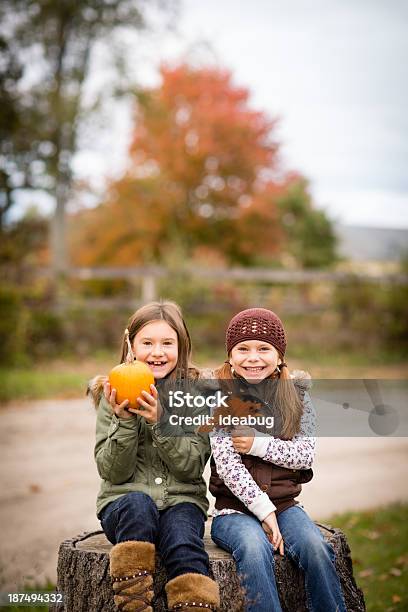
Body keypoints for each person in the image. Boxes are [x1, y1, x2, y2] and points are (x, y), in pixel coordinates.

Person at [209, 307, 346, 612]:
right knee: (255, 549)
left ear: (279, 355)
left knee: (315, 548)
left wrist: (257, 444)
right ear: (230, 357)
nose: (252, 357)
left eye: (263, 349)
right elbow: (230, 467)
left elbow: (304, 455)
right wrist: (263, 512)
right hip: (233, 512)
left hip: (286, 507)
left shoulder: (297, 398)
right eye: (242, 349)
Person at [88, 301, 220, 612]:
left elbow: (191, 468)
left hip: (180, 501)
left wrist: (161, 422)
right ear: (130, 345)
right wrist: (125, 422)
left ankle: (194, 606)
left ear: (181, 346)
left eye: (167, 343)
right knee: (138, 504)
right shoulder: (113, 396)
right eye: (147, 343)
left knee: (185, 543)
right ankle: (133, 603)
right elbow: (112, 472)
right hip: (123, 504)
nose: (157, 352)